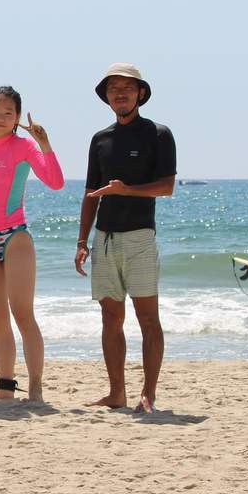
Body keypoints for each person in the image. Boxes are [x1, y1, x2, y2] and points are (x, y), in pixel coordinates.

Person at [74, 63, 176, 413]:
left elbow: (167, 187)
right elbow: (91, 194)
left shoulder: (158, 134)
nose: (120, 92)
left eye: (127, 87)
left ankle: (148, 394)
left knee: (148, 319)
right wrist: (81, 242)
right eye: (113, 87)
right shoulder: (99, 140)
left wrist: (127, 190)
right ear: (107, 97)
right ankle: (117, 393)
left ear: (140, 94)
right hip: (104, 239)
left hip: (140, 238)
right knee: (110, 319)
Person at [0, 86, 64, 402]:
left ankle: (36, 387)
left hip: (15, 237)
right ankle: (5, 388)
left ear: (16, 118)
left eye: (8, 113)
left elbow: (55, 182)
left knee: (23, 313)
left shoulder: (23, 146)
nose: (0, 118)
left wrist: (44, 144)